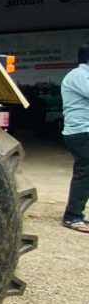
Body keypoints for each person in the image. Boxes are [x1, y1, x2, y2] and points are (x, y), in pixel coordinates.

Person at [61, 43, 89, 232]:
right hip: (81, 132)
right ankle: (72, 216)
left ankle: (76, 212)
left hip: (83, 131)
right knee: (84, 172)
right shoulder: (79, 76)